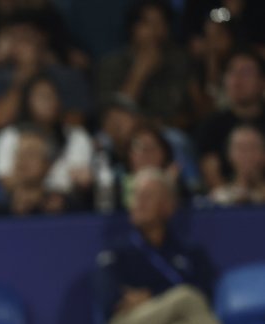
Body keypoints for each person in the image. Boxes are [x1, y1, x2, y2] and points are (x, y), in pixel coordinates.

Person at [96, 168, 234, 324]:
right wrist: (170, 298)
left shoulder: (189, 253)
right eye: (136, 196)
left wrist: (150, 295)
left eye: (148, 196)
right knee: (185, 296)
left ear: (168, 206)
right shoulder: (116, 252)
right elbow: (110, 298)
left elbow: (205, 293)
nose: (139, 203)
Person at [0, 74, 93, 200]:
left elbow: (78, 179)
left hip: (67, 205)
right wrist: (38, 194)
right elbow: (5, 179)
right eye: (42, 96)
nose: (48, 102)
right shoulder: (9, 136)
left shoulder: (76, 136)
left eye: (52, 96)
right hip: (18, 203)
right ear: (28, 100)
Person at [96, 0, 191, 127]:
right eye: (149, 24)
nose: (155, 31)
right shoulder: (111, 64)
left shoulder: (179, 61)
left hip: (167, 133)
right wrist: (139, 73)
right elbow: (111, 119)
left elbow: (190, 115)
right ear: (133, 28)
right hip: (124, 133)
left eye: (161, 23)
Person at [194, 50, 265, 193]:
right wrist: (230, 196)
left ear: (262, 81)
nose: (237, 80)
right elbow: (210, 170)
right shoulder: (212, 125)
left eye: (246, 73)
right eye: (231, 72)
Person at [0, 128, 73, 217]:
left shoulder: (64, 209)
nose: (23, 160)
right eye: (19, 154)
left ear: (47, 164)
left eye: (31, 154)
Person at [210, 124, 265, 205]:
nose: (247, 154)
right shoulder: (219, 197)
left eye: (253, 147)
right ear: (229, 154)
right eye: (241, 148)